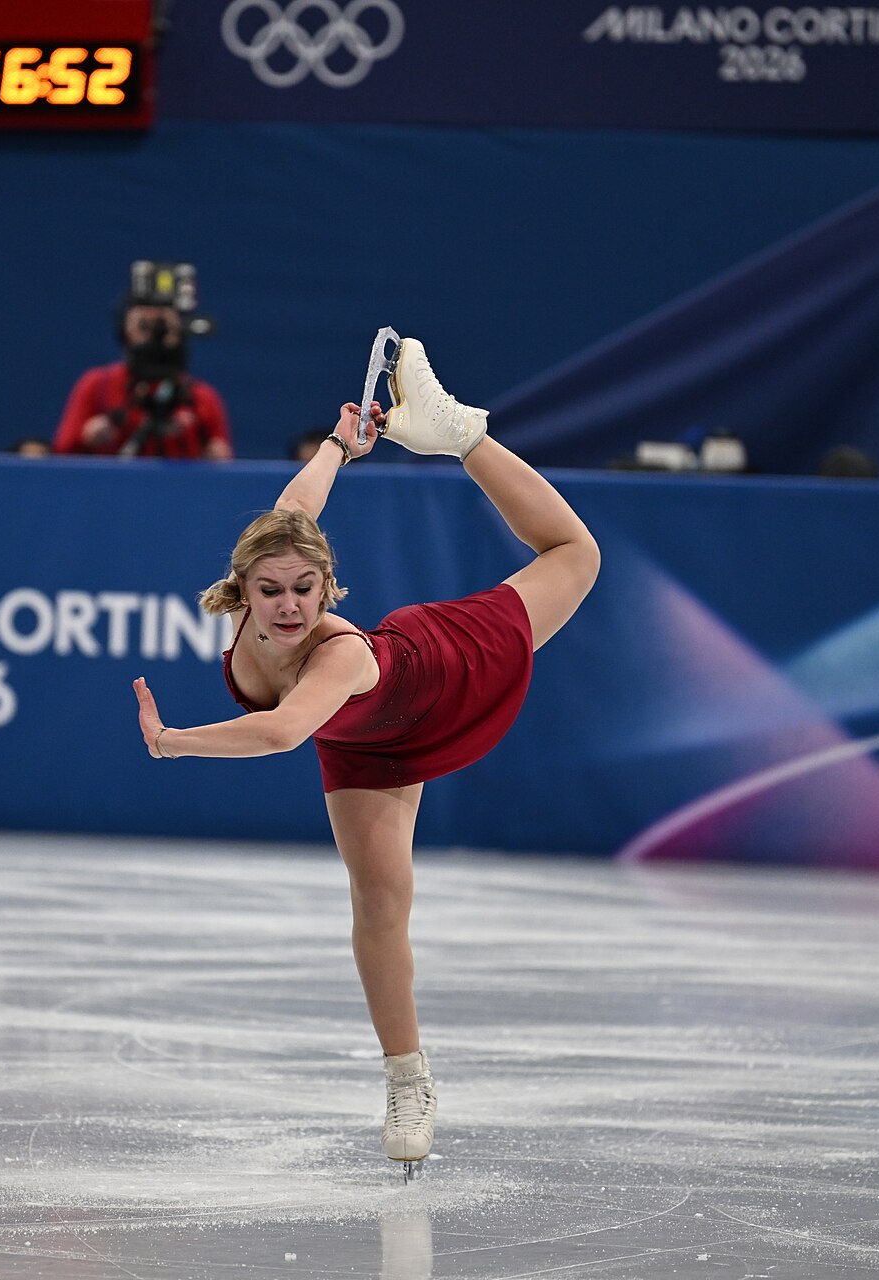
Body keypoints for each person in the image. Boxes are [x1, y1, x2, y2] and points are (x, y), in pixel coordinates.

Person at [131, 338, 600, 1170]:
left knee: (576, 555)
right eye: (270, 590)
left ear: (326, 587)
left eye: (303, 591)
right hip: (366, 748)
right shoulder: (270, 578)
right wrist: (338, 446)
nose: (286, 606)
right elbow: (297, 508)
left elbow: (280, 732)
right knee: (380, 903)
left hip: (442, 671)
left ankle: (463, 436)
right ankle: (407, 1077)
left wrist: (174, 744)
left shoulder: (336, 655)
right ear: (243, 590)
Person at [52, 300, 232, 459]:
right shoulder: (97, 385)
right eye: (144, 326)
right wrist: (85, 438)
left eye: (163, 327)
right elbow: (60, 457)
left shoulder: (201, 397)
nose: (154, 337)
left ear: (180, 331)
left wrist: (218, 459)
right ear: (125, 331)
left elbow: (223, 471)